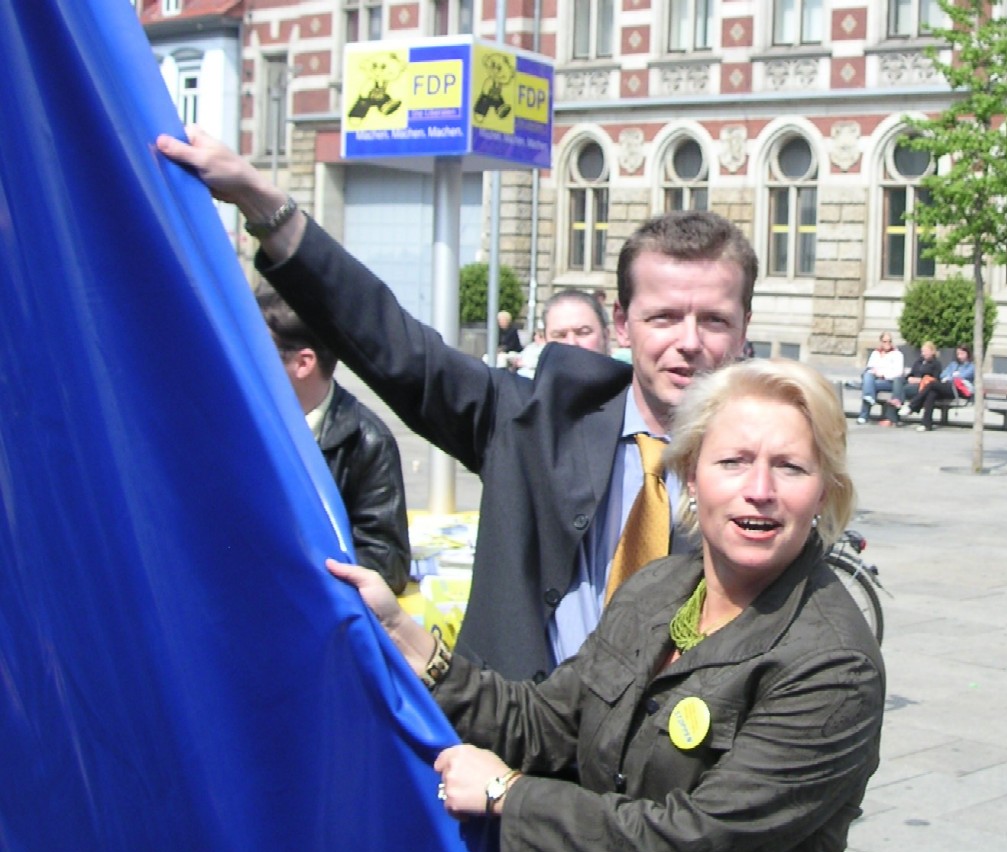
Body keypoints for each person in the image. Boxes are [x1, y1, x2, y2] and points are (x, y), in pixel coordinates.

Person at [156, 126, 755, 681]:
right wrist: (266, 206)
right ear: (623, 323)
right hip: (510, 752)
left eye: (714, 320)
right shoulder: (532, 422)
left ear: (745, 327)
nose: (689, 342)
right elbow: (395, 346)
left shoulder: (768, 475)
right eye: (665, 317)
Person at [327, 358, 885, 852]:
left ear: (823, 493)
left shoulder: (834, 666)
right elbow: (546, 723)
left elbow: (690, 842)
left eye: (789, 467)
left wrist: (508, 795)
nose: (759, 490)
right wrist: (405, 636)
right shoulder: (657, 586)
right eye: (733, 461)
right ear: (691, 475)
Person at [257, 286, 411, 593]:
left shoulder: (367, 441)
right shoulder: (245, 424)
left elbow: (387, 562)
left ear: (303, 363)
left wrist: (294, 565)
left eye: (258, 350)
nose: (245, 360)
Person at [899, 343, 975, 432]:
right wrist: (952, 376)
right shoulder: (953, 364)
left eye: (962, 354)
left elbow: (962, 377)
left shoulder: (971, 366)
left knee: (932, 383)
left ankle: (912, 406)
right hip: (948, 387)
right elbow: (943, 375)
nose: (959, 356)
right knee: (931, 393)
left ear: (968, 354)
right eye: (958, 354)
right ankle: (926, 424)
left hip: (960, 390)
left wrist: (951, 377)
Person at [857, 331, 904, 425]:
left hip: (890, 382)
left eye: (889, 341)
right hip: (876, 380)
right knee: (868, 375)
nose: (887, 344)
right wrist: (875, 372)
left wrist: (882, 374)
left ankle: (864, 415)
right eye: (885, 341)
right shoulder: (875, 353)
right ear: (881, 342)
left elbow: (898, 372)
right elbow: (870, 367)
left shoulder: (897, 354)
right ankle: (869, 398)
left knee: (868, 385)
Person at [891, 340, 942, 418]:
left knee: (903, 389)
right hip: (911, 382)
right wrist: (909, 378)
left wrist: (919, 380)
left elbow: (935, 380)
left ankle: (898, 406)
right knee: (898, 380)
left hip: (922, 386)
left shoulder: (936, 364)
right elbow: (911, 373)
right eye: (922, 351)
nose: (923, 354)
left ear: (932, 352)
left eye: (925, 351)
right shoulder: (919, 361)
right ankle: (898, 402)